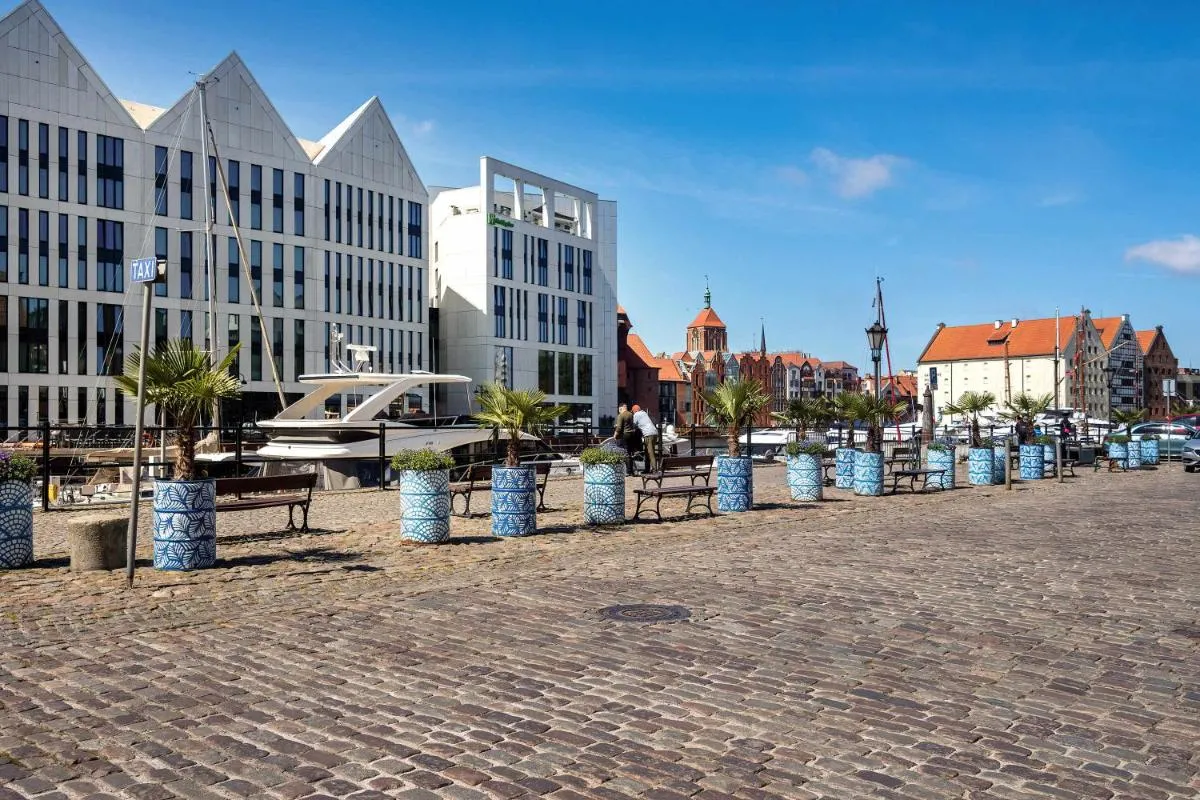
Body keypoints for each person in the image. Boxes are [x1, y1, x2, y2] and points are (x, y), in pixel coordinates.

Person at [632, 404, 659, 475]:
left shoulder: (636, 414)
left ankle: (654, 470)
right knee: (647, 451)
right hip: (655, 433)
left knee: (650, 452)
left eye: (633, 412)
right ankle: (647, 469)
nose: (633, 413)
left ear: (635, 410)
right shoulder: (644, 413)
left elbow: (633, 425)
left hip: (648, 434)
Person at [613, 403, 639, 475]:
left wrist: (615, 435)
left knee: (625, 452)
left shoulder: (621, 415)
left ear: (620, 409)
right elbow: (631, 425)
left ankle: (628, 471)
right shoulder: (631, 414)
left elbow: (619, 428)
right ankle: (631, 470)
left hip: (625, 435)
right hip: (631, 435)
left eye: (619, 410)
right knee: (630, 453)